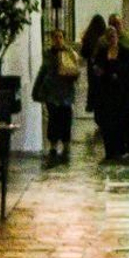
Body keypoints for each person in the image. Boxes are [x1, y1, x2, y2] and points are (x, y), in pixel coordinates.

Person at [32, 26, 82, 160]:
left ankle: (66, 143)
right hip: (52, 91)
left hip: (66, 91)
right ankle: (53, 144)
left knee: (65, 118)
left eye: (60, 37)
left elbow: (75, 70)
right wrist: (37, 89)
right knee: (53, 118)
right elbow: (43, 71)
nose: (58, 40)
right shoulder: (48, 54)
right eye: (55, 37)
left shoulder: (69, 53)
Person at [93, 20, 129, 161]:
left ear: (117, 37)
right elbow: (97, 67)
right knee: (108, 121)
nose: (112, 39)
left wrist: (118, 73)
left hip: (122, 91)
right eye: (109, 37)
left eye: (114, 36)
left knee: (122, 120)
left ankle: (122, 147)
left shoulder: (125, 51)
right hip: (107, 91)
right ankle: (110, 149)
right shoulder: (102, 52)